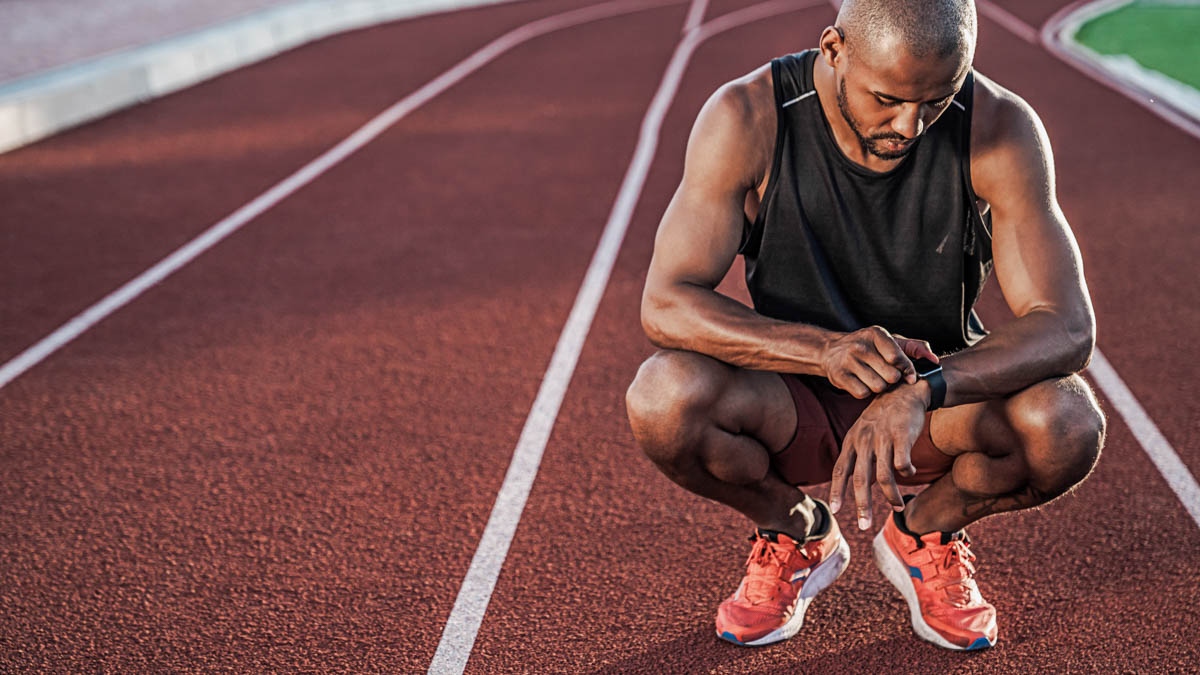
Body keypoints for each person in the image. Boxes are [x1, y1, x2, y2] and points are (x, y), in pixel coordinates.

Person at [623, 0, 1106, 651]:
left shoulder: (998, 128)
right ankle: (795, 530)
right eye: (887, 98)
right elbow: (666, 302)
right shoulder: (749, 118)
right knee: (662, 398)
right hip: (792, 397)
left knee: (1068, 422)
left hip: (931, 406)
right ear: (833, 50)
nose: (909, 125)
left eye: (936, 99)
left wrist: (926, 389)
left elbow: (1068, 325)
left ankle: (926, 530)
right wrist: (822, 351)